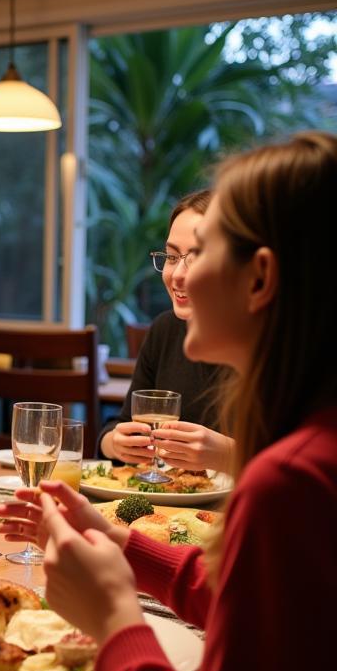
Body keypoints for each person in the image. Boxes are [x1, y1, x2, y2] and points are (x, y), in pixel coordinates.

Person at [0, 132, 337, 671]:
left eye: (200, 249)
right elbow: (279, 620)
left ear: (261, 278)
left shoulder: (291, 484)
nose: (178, 274)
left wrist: (117, 622)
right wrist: (123, 547)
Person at [98, 189, 234, 472]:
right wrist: (114, 443)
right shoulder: (165, 329)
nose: (178, 275)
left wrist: (227, 455)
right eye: (172, 257)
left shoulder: (276, 344)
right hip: (168, 509)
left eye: (196, 257)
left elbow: (304, 463)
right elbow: (121, 426)